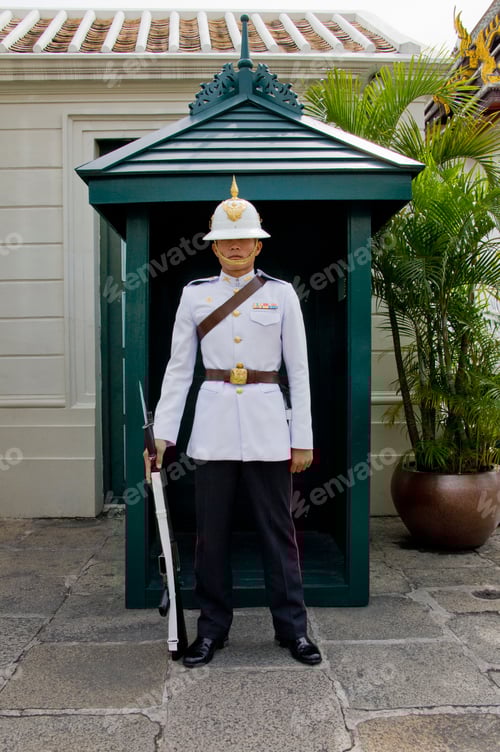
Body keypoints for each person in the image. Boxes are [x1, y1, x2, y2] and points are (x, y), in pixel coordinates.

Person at [145, 177, 322, 668]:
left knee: (278, 532)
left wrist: (301, 438)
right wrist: (162, 435)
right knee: (211, 535)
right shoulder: (195, 295)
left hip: (269, 428)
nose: (237, 246)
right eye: (227, 239)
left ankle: (293, 630)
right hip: (215, 425)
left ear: (258, 243)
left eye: (245, 239)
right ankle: (211, 630)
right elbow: (179, 369)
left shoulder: (282, 294)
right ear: (215, 245)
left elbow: (299, 371)